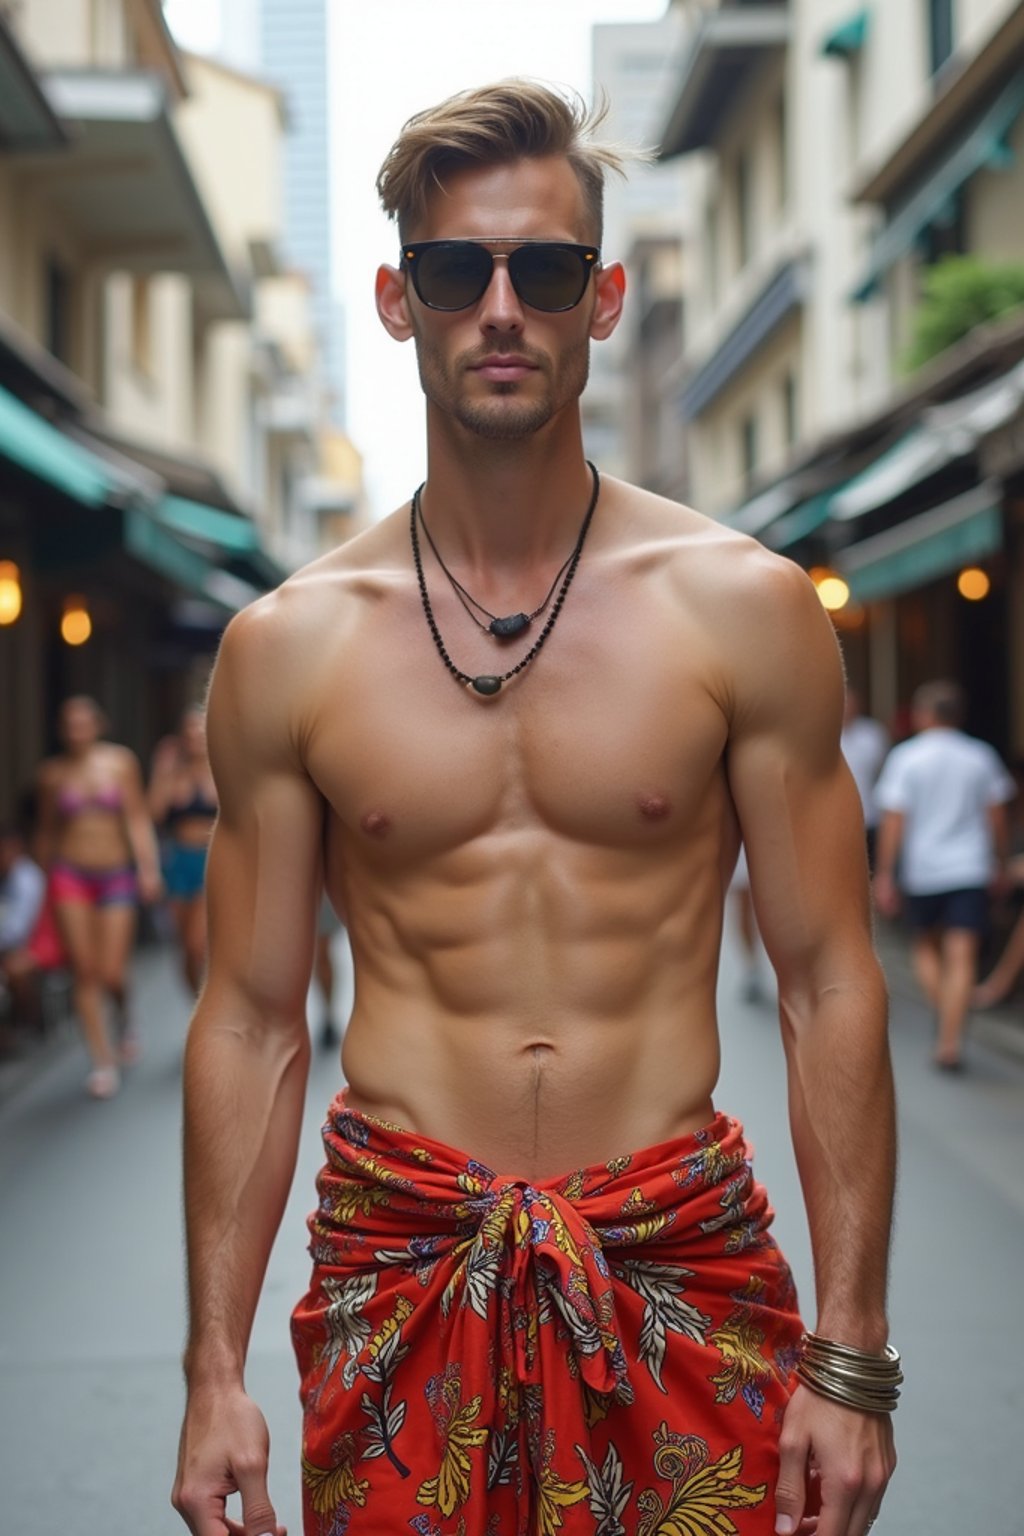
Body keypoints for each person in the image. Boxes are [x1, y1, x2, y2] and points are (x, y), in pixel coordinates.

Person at [172, 82, 898, 1536]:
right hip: (407, 1274)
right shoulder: (289, 647)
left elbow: (826, 978)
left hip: (676, 1265)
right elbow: (251, 1016)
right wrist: (211, 1370)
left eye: (545, 270)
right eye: (457, 270)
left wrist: (854, 1359)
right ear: (398, 299)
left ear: (605, 298)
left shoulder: (743, 610)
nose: (500, 307)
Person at [873, 679, 1015, 1070]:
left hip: (925, 870)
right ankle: (951, 1035)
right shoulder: (981, 756)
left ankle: (947, 1026)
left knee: (924, 947)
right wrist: (1000, 862)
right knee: (962, 952)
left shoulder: (907, 757)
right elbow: (998, 818)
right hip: (970, 867)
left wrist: (885, 872)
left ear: (923, 714)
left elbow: (893, 821)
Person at [35, 695, 162, 1097]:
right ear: (62, 730)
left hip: (115, 874)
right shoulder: (52, 774)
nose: (77, 730)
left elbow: (137, 818)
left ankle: (123, 1014)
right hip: (70, 874)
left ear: (97, 724)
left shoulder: (120, 762)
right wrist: (42, 882)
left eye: (83, 722)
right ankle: (102, 1061)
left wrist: (147, 868)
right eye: (70, 724)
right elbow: (47, 831)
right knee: (84, 970)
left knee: (111, 972)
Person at [149, 705, 218, 997]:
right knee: (186, 952)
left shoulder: (223, 769)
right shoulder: (172, 773)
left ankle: (207, 1011)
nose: (194, 734)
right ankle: (197, 1008)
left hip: (212, 860)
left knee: (197, 944)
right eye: (188, 728)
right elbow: (153, 813)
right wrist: (162, 769)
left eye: (200, 728)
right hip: (178, 860)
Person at [0, 821, 46, 1038]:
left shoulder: (27, 877)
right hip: (8, 946)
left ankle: (27, 1021)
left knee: (15, 968)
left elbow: (20, 928)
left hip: (32, 943)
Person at [840, 690, 888, 872]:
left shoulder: (873, 734)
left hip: (869, 814)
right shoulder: (823, 733)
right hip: (839, 816)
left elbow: (882, 770)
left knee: (869, 868)